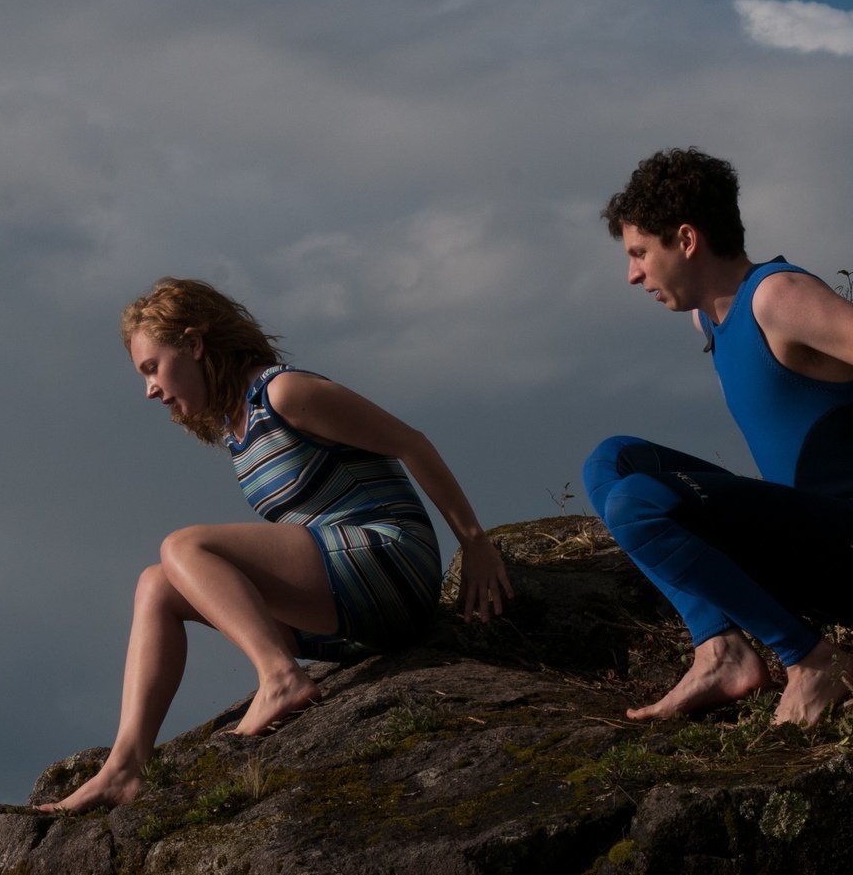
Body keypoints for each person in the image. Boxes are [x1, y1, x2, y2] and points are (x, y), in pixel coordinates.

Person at [41, 277, 512, 812]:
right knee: (156, 584)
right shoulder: (237, 431)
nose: (149, 388)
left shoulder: (284, 392)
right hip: (352, 611)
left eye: (152, 367)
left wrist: (475, 544)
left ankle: (280, 676)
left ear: (195, 344)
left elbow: (411, 442)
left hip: (388, 558)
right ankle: (125, 767)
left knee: (183, 546)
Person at [586, 148, 853, 726]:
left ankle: (813, 661)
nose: (633, 274)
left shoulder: (776, 297)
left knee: (636, 504)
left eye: (640, 253)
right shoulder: (709, 317)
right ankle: (720, 648)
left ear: (687, 239)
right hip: (814, 540)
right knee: (611, 461)